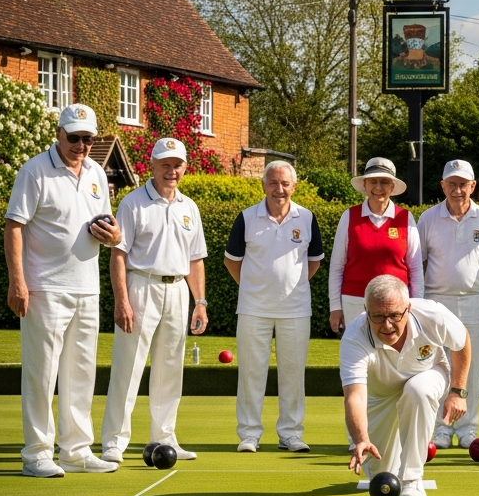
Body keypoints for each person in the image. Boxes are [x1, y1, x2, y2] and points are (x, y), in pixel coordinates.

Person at [4, 104, 122, 477]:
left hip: (87, 288)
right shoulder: (34, 171)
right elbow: (14, 226)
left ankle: (76, 451)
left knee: (81, 373)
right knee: (41, 374)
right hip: (45, 289)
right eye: (74, 137)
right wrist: (18, 281)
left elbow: (108, 225)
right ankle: (37, 454)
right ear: (59, 133)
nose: (81, 145)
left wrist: (114, 236)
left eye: (87, 139)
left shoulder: (97, 174)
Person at [99, 138, 208, 463]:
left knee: (171, 368)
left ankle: (164, 437)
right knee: (128, 366)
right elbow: (118, 255)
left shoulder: (189, 207)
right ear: (153, 165)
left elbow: (195, 260)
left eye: (177, 165)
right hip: (141, 287)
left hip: (177, 291)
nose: (171, 171)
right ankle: (114, 441)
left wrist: (200, 301)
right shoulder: (133, 203)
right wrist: (122, 301)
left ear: (185, 168)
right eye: (165, 165)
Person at [342, 275, 470, 496]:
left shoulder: (432, 315)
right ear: (366, 311)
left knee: (418, 390)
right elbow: (355, 397)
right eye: (378, 316)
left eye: (394, 315)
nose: (387, 325)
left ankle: (412, 481)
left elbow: (462, 340)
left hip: (428, 373)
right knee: (382, 472)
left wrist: (458, 392)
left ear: (408, 308)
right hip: (380, 395)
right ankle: (396, 460)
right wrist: (361, 439)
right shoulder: (354, 338)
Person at [224, 161, 324, 452]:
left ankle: (290, 434)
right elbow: (231, 261)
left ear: (294, 187)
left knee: (293, 374)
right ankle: (249, 434)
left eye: (285, 184)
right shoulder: (247, 218)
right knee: (251, 373)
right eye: (273, 183)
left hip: (296, 310)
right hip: (253, 309)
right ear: (264, 185)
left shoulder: (307, 218)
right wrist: (254, 287)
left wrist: (290, 286)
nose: (279, 189)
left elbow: (314, 262)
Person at [417, 160, 479, 449]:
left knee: (472, 368)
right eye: (452, 184)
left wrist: (475, 286)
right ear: (443, 186)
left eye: (463, 184)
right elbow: (419, 262)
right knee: (437, 366)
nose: (458, 190)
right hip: (436, 302)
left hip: (475, 303)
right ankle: (441, 429)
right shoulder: (428, 218)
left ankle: (468, 428)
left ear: (473, 186)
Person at [328, 157, 423, 333]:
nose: (378, 187)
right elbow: (337, 266)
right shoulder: (349, 216)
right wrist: (335, 307)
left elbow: (415, 268)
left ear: (392, 186)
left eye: (384, 182)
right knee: (357, 350)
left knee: (391, 350)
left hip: (395, 305)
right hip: (355, 302)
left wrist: (416, 306)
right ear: (365, 184)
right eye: (373, 181)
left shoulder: (405, 218)